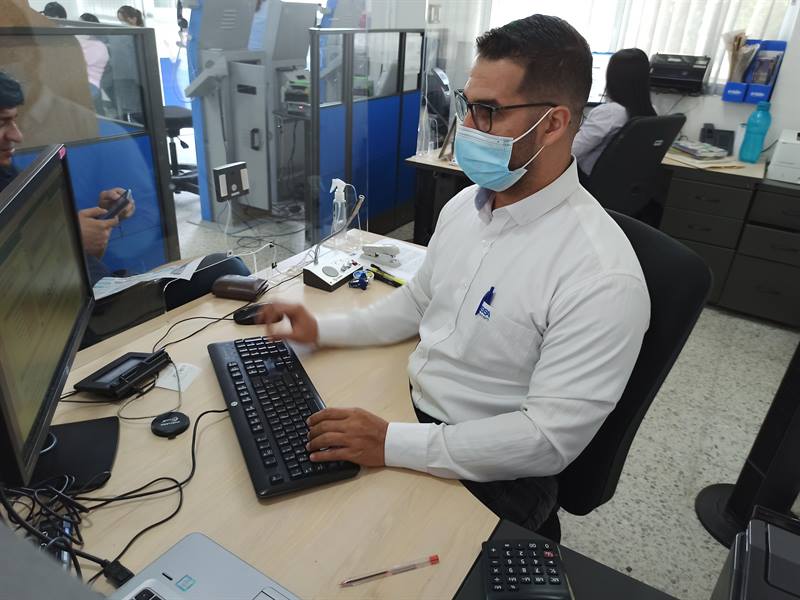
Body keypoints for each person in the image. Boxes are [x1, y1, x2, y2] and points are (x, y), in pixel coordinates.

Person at [258, 15, 650, 534]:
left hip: (498, 470)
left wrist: (391, 443)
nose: (466, 127)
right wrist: (323, 329)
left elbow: (548, 441)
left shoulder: (600, 276)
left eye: (488, 112)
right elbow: (418, 303)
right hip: (412, 411)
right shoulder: (467, 205)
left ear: (554, 124)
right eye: (468, 106)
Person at [0, 71, 134, 282]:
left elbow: (35, 234)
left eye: (14, 121)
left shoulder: (5, 173)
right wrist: (67, 241)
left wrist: (89, 227)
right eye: (1, 123)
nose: (17, 136)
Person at [573, 48, 657, 179]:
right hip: (620, 184)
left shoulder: (610, 113)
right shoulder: (652, 111)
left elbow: (572, 151)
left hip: (586, 183)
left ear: (612, 77)